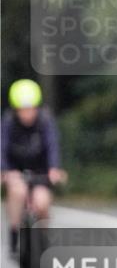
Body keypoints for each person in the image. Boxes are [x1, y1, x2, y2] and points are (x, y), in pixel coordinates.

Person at [1, 79, 67, 257]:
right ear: (16, 110)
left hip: (40, 171)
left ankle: (43, 238)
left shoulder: (45, 121)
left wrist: (54, 168)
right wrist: (5, 170)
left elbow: (52, 145)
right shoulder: (8, 122)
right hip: (16, 170)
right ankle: (14, 232)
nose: (27, 114)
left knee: (42, 202)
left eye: (30, 109)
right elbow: (2, 147)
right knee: (17, 192)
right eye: (23, 110)